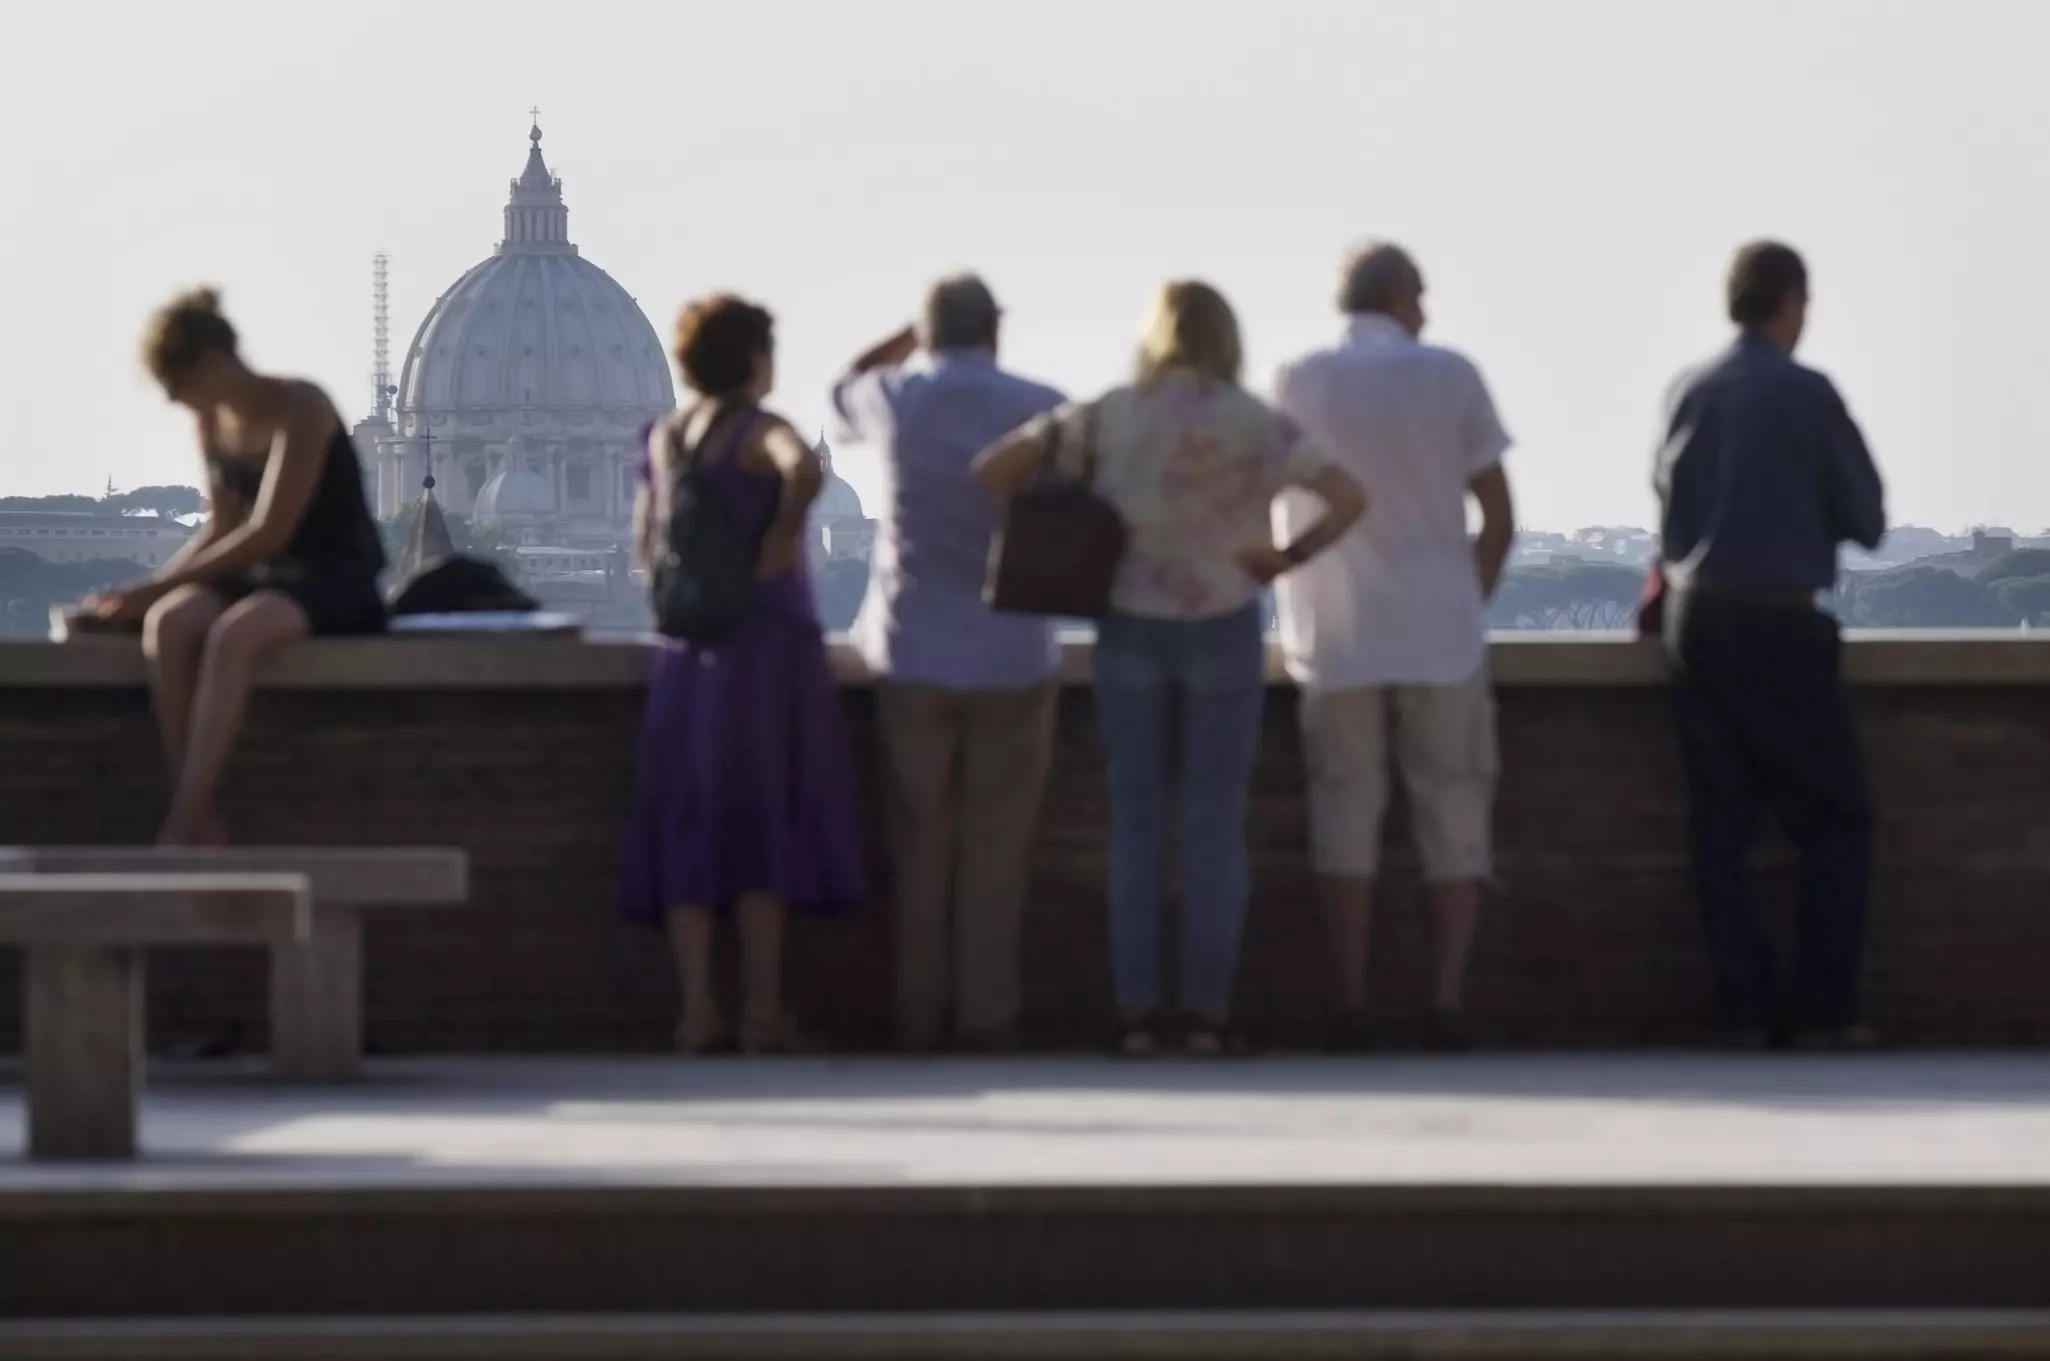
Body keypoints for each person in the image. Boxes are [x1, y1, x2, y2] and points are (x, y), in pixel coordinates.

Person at [976, 281, 1366, 1056]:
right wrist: (1286, 557)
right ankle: (1208, 1013)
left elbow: (996, 467)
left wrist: (1079, 519)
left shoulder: (1112, 413)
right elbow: (1349, 496)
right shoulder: (1254, 421)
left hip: (1129, 622)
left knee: (1137, 823)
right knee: (1215, 825)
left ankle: (1138, 1013)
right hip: (1223, 619)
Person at [1271, 242, 1517, 1052]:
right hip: (1439, 630)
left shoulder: (1296, 379)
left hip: (1334, 633)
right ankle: (1444, 1001)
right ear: (1402, 295)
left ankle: (1349, 1001)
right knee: (1454, 816)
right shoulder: (1451, 375)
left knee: (1344, 816)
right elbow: (1499, 515)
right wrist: (1464, 598)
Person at [1654, 241, 1886, 1050]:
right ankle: (1823, 1006)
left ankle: (1741, 1005)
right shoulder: (1808, 394)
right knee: (1836, 818)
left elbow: (1670, 515)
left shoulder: (1691, 391)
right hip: (1781, 623)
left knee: (1721, 822)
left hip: (1699, 626)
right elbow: (1867, 517)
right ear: (1791, 301)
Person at [620, 294, 866, 1055]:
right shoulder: (765, 431)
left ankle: (697, 1011)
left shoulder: (664, 438)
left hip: (686, 655)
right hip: (762, 651)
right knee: (765, 825)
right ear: (756, 358)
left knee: (689, 822)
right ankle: (762, 1011)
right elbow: (804, 472)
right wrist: (782, 540)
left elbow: (643, 540)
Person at [831, 275, 1067, 1052]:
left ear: (927, 334)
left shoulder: (898, 398)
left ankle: (917, 1012)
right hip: (1013, 648)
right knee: (997, 852)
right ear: (995, 330)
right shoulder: (1043, 402)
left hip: (914, 649)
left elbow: (841, 388)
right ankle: (987, 1016)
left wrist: (905, 340)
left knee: (919, 849)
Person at [81, 288, 387, 846]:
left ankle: (186, 816)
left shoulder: (304, 406)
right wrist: (148, 595)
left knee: (232, 636)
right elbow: (221, 529)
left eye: (182, 389)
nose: (180, 403)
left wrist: (152, 587)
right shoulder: (211, 424)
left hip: (330, 573)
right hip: (262, 575)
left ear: (214, 365)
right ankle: (196, 800)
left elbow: (271, 529)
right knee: (170, 623)